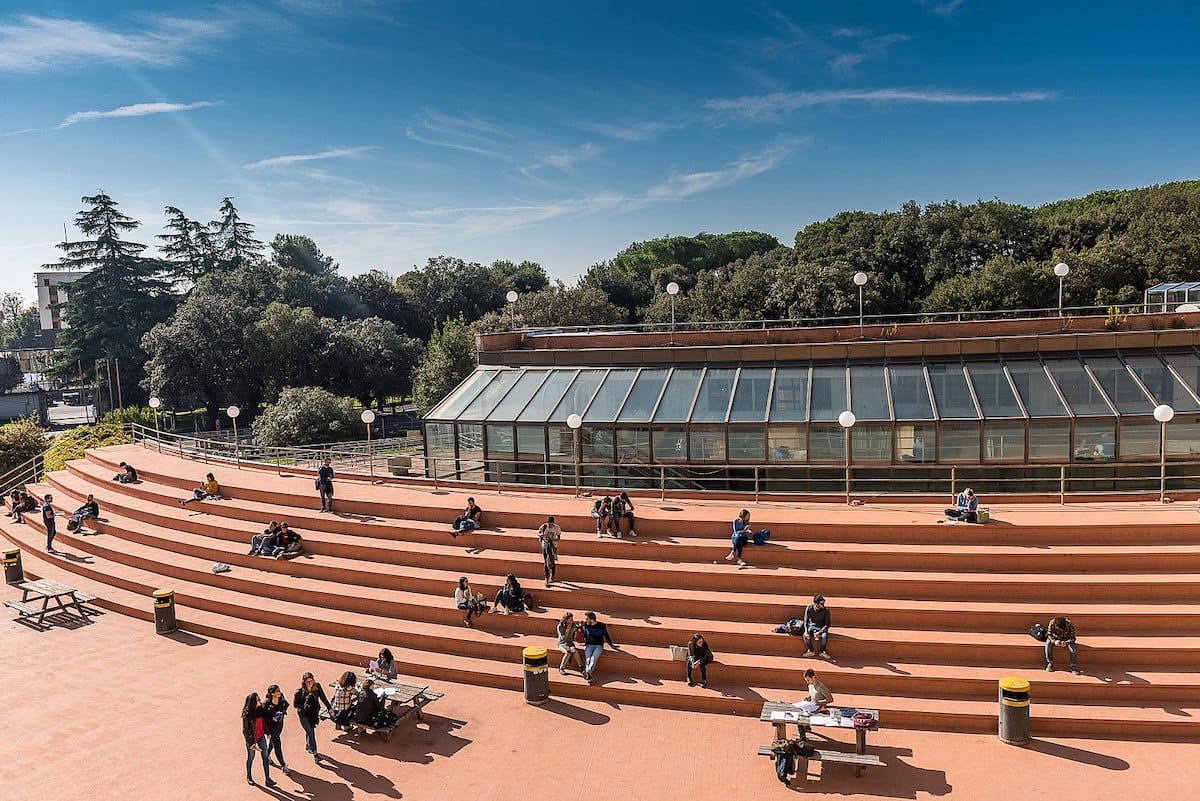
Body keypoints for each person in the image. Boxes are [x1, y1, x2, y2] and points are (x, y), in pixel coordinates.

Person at [293, 671, 332, 761]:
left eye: (311, 681)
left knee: (310, 731)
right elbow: (295, 705)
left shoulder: (317, 687)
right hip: (304, 715)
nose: (310, 683)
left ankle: (308, 746)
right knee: (311, 733)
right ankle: (315, 754)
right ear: (304, 682)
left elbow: (323, 697)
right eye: (308, 682)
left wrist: (329, 708)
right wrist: (306, 707)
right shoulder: (299, 692)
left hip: (313, 714)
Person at [241, 692, 277, 787]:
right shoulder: (247, 715)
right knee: (251, 757)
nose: (260, 701)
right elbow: (245, 731)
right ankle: (249, 776)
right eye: (257, 700)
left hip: (261, 737)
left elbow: (263, 723)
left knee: (265, 757)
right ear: (253, 702)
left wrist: (267, 732)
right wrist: (251, 743)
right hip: (252, 740)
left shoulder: (260, 710)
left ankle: (268, 779)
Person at [580, 611, 618, 683]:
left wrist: (611, 645)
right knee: (588, 659)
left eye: (587, 619)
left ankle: (587, 672)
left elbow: (606, 636)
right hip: (589, 645)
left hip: (598, 646)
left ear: (592, 619)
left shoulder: (601, 626)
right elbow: (584, 635)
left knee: (593, 658)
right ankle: (588, 674)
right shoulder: (585, 625)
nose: (586, 620)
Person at [262, 684, 290, 775]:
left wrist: (282, 713)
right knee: (277, 744)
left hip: (279, 725)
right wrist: (271, 720)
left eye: (279, 690)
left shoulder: (281, 698)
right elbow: (263, 717)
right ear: (272, 693)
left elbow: (286, 704)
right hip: (270, 727)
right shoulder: (266, 703)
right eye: (277, 691)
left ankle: (267, 755)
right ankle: (283, 766)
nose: (279, 692)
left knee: (273, 742)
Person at [801, 594, 832, 659]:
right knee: (805, 635)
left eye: (823, 603)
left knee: (824, 636)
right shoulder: (809, 608)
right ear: (816, 604)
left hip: (822, 627)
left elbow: (827, 624)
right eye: (821, 604)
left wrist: (819, 632)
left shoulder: (826, 610)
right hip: (812, 626)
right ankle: (810, 650)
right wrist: (806, 632)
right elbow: (805, 621)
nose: (823, 605)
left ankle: (822, 651)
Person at [537, 515, 562, 584]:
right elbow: (539, 533)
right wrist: (541, 535)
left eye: (552, 524)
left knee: (552, 561)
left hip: (553, 546)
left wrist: (555, 540)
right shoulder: (544, 527)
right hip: (545, 545)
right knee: (546, 561)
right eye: (549, 524)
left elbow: (559, 536)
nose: (550, 525)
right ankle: (546, 577)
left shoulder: (557, 528)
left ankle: (552, 576)